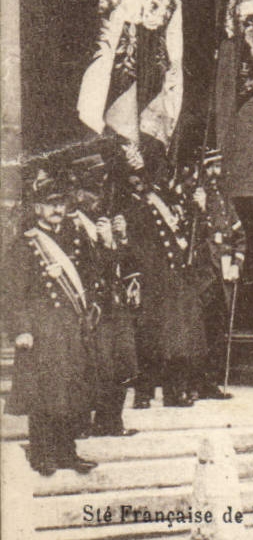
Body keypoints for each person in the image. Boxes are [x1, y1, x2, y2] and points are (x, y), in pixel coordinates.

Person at [3, 171, 98, 475]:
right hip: (42, 331)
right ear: (38, 209)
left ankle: (67, 452)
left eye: (61, 203)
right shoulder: (26, 245)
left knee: (71, 390)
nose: (57, 209)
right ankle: (42, 454)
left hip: (71, 328)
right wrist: (21, 329)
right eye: (50, 204)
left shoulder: (75, 239)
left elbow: (90, 277)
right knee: (45, 394)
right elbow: (12, 292)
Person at [125, 158, 211, 407]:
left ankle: (175, 392)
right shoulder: (128, 205)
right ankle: (144, 393)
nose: (141, 181)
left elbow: (189, 234)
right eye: (136, 177)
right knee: (151, 341)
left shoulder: (167, 202)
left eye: (144, 176)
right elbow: (132, 246)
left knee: (179, 341)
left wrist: (199, 209)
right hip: (152, 280)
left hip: (177, 279)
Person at [63, 170, 139, 438]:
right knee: (95, 366)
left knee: (123, 363)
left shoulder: (102, 223)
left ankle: (111, 421)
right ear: (78, 194)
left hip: (115, 304)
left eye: (101, 190)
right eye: (92, 191)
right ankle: (82, 423)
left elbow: (125, 263)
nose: (98, 198)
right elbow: (86, 269)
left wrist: (121, 238)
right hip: (92, 307)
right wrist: (106, 244)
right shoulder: (71, 226)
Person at [189, 147, 242, 400]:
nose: (216, 172)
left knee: (217, 331)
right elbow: (190, 239)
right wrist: (197, 210)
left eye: (218, 167)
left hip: (222, 277)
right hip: (201, 277)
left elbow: (240, 237)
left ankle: (210, 383)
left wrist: (236, 264)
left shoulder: (223, 201)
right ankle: (193, 383)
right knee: (198, 330)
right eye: (211, 167)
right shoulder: (192, 198)